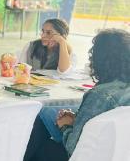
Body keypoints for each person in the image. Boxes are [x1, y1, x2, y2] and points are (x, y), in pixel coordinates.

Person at [24, 29, 130, 161]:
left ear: (99, 59)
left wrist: (66, 126)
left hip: (88, 155)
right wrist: (78, 119)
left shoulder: (99, 95)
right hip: (119, 153)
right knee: (47, 114)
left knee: (40, 133)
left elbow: (75, 148)